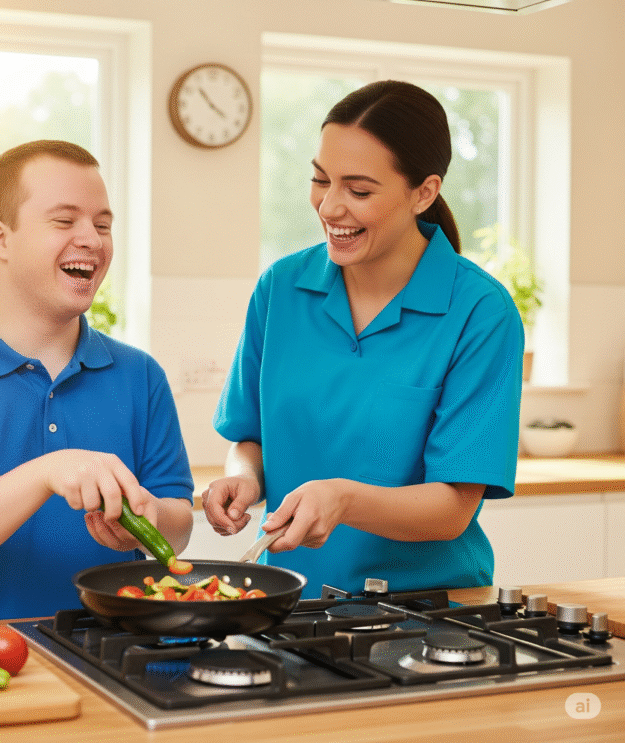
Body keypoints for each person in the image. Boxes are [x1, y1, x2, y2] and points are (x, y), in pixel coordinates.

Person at [203, 81, 523, 599]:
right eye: (320, 179)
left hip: (427, 611)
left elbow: (453, 509)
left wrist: (344, 499)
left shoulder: (481, 312)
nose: (329, 207)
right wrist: (246, 479)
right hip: (284, 599)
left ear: (424, 192)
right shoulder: (281, 290)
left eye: (359, 190)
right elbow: (250, 437)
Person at [0, 140, 194, 624]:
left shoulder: (140, 376)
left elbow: (177, 528)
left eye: (103, 224)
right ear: (0, 239)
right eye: (65, 221)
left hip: (118, 657)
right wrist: (49, 471)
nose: (91, 238)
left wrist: (145, 520)